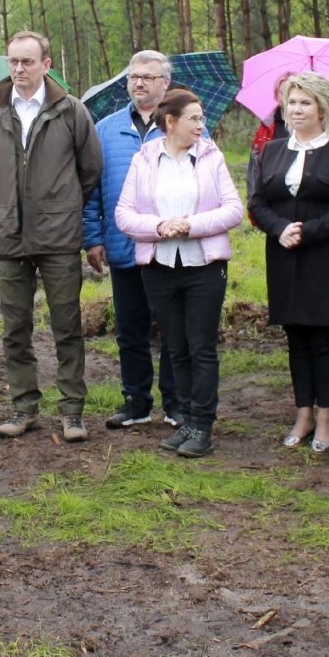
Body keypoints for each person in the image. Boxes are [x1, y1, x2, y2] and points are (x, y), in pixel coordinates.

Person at [0, 31, 105, 443]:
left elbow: (90, 170)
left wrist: (59, 204)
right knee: (15, 327)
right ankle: (24, 407)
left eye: (27, 62)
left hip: (59, 235)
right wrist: (3, 208)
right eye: (13, 61)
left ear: (46, 65)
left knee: (66, 326)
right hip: (9, 235)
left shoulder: (71, 111)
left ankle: (72, 411)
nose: (18, 69)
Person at [115, 90, 242, 457]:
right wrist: (159, 226)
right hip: (159, 267)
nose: (201, 125)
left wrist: (190, 225)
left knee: (201, 348)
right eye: (194, 118)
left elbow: (233, 209)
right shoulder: (145, 159)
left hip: (204, 267)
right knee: (175, 347)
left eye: (202, 119)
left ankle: (202, 425)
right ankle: (185, 419)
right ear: (170, 122)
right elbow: (125, 214)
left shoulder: (211, 156)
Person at [250, 73, 329, 453]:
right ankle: (302, 413)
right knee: (295, 337)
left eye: (303, 103)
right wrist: (281, 229)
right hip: (283, 254)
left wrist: (311, 231)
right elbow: (257, 202)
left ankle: (325, 417)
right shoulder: (272, 150)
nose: (294, 110)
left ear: (323, 108)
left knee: (321, 338)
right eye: (290, 102)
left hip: (324, 256)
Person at [82, 50, 183, 428]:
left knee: (174, 327)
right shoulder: (105, 129)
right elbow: (91, 188)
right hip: (124, 244)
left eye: (147, 77)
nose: (138, 82)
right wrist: (92, 237)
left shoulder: (184, 123)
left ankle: (176, 402)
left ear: (165, 83)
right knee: (130, 330)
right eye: (133, 77)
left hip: (172, 246)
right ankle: (136, 401)